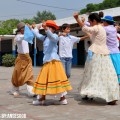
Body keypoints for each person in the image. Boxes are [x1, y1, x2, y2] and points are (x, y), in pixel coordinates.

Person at [73, 12, 119, 105]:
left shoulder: (97, 27)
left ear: (94, 21)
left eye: (90, 21)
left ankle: (89, 92)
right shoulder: (102, 28)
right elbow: (90, 34)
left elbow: (86, 28)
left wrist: (77, 19)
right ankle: (112, 96)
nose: (89, 23)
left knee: (92, 74)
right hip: (105, 54)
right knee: (108, 75)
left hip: (96, 53)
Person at [31, 20, 72, 105]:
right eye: (47, 27)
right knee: (44, 80)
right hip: (47, 61)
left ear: (52, 29)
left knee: (56, 80)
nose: (46, 29)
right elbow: (37, 35)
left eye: (49, 27)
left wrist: (46, 29)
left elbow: (51, 36)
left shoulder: (55, 36)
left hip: (53, 62)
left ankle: (62, 99)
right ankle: (42, 99)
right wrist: (34, 28)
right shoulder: (45, 37)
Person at [11, 22, 35, 97]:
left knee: (29, 74)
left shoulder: (26, 36)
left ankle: (31, 91)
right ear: (20, 30)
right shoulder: (18, 37)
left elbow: (31, 35)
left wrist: (32, 28)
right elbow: (24, 36)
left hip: (27, 58)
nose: (25, 29)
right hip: (21, 58)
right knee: (18, 75)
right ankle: (14, 89)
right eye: (24, 28)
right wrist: (29, 29)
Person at [102, 15, 120, 84]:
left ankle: (113, 83)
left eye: (103, 21)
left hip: (110, 52)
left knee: (111, 69)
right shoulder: (114, 28)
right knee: (117, 68)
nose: (102, 22)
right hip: (117, 52)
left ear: (106, 22)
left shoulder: (105, 29)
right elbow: (116, 27)